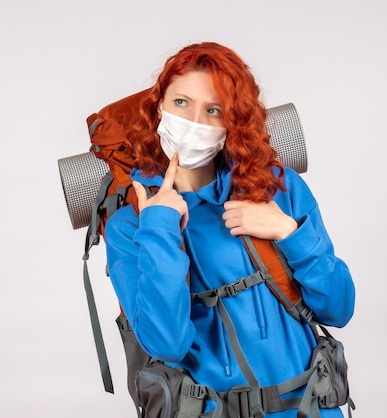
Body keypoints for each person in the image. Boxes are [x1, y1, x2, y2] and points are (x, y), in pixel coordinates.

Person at [103, 41, 356, 417]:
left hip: (310, 407)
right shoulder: (131, 224)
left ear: (231, 123)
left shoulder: (275, 186)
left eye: (213, 110)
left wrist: (289, 231)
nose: (194, 123)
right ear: (159, 107)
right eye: (181, 103)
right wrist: (160, 228)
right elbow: (167, 344)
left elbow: (338, 308)